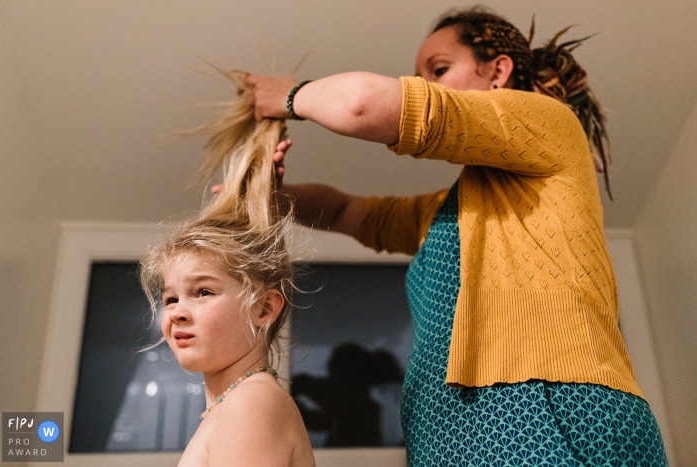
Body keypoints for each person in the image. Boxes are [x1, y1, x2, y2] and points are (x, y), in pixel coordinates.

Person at [241, 6, 668, 466]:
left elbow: (363, 103)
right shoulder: (450, 210)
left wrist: (290, 97)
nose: (425, 85)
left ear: (499, 71)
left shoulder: (552, 122)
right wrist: (270, 195)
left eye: (439, 70)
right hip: (446, 431)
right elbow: (348, 210)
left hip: (544, 402)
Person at [139, 217, 315, 466]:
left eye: (203, 292)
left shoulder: (249, 403)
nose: (177, 312)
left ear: (263, 310)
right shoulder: (233, 404)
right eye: (171, 299)